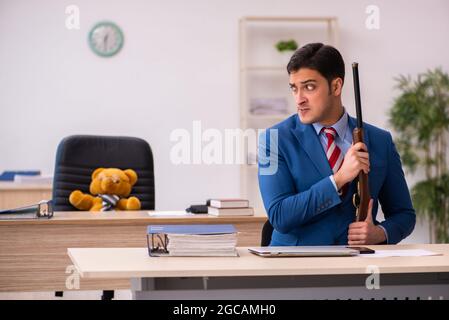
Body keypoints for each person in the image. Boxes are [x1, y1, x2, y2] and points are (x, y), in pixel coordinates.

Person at [258, 43, 415, 246]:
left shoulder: (380, 141)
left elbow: (404, 214)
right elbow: (279, 216)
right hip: (295, 267)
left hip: (358, 267)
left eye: (309, 87)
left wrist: (380, 233)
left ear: (336, 86)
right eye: (294, 88)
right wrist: (339, 179)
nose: (299, 99)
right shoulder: (272, 140)